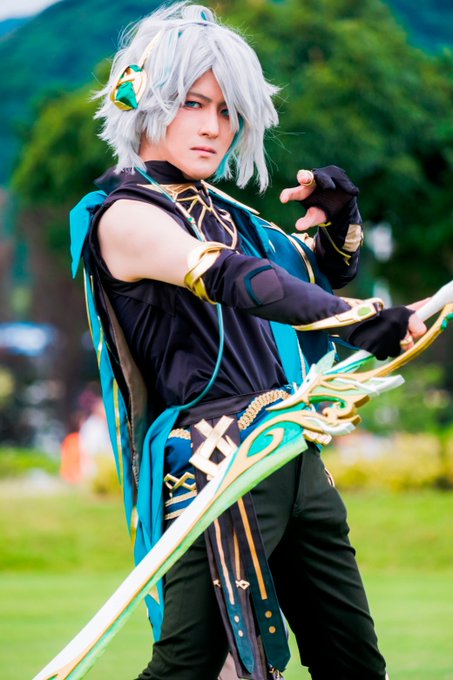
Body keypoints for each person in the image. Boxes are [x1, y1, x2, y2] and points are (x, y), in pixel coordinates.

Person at [77, 3, 426, 679]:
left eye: (227, 110)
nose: (213, 126)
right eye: (192, 103)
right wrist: (359, 320)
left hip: (290, 451)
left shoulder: (234, 217)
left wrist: (338, 222)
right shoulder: (124, 215)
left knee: (354, 664)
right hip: (213, 464)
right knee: (191, 667)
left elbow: (310, 275)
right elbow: (233, 279)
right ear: (143, 99)